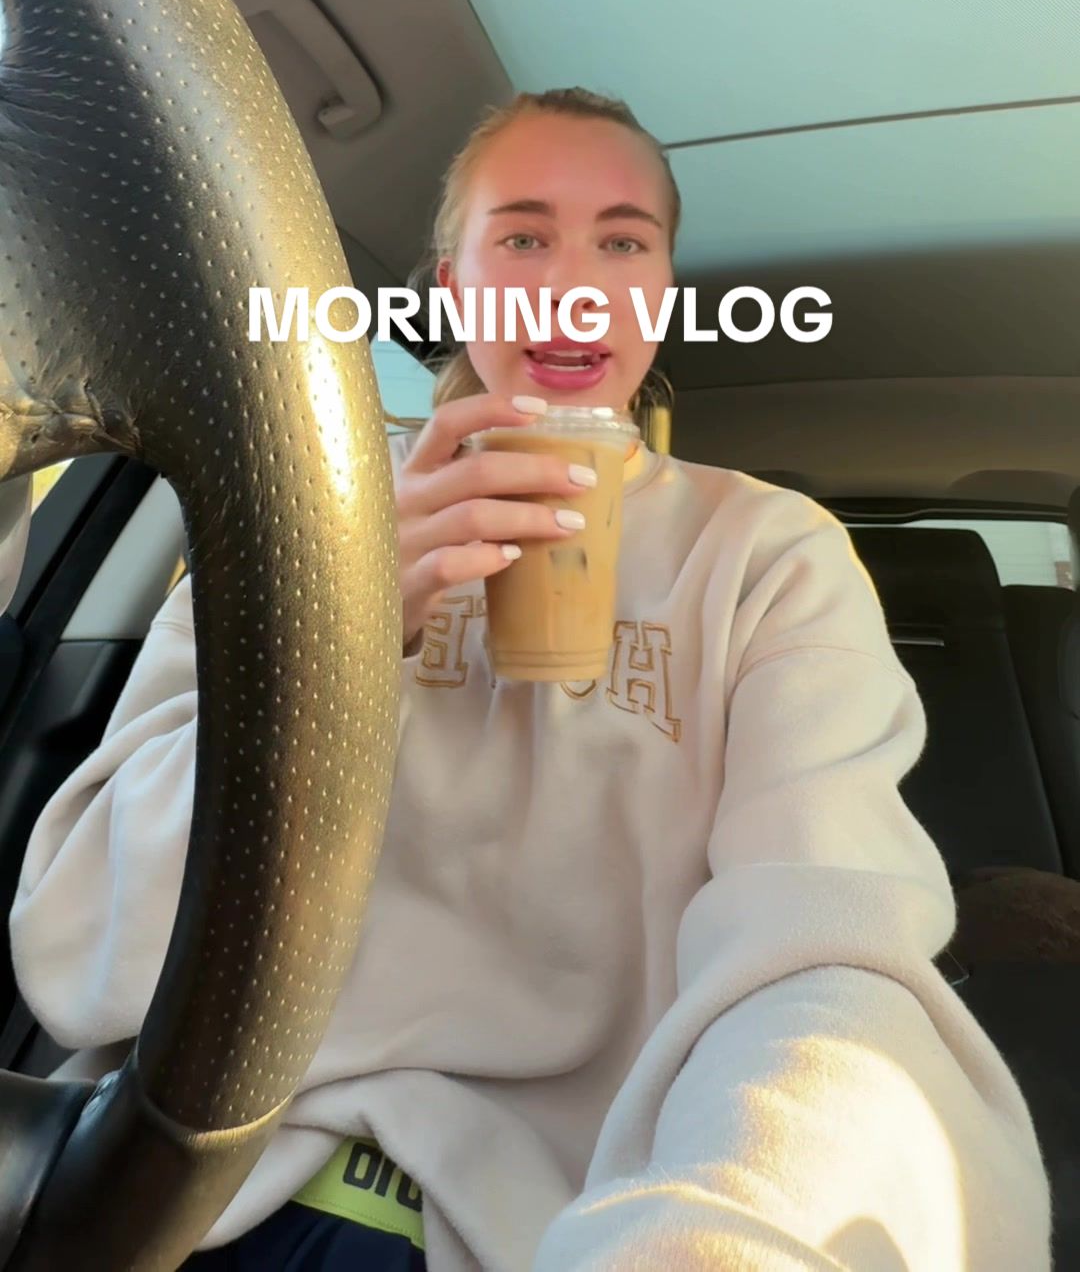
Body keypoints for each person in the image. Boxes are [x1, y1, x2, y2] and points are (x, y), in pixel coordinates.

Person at [7, 87, 1051, 1270]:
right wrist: (345, 630)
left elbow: (826, 940)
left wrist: (731, 1228)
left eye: (623, 242)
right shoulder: (303, 508)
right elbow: (85, 950)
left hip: (559, 1225)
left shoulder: (768, 555)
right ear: (453, 283)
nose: (575, 284)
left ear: (662, 292)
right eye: (522, 236)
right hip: (197, 1184)